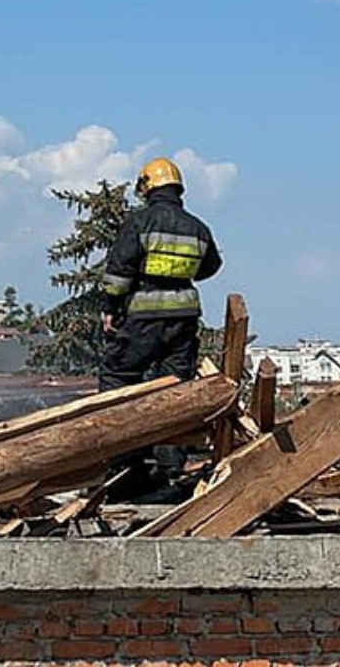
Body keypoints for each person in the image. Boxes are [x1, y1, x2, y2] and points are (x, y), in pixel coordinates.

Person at [97, 156, 223, 492]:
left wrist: (111, 307)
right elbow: (210, 267)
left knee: (120, 380)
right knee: (175, 390)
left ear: (147, 187)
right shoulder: (197, 227)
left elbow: (118, 274)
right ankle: (171, 468)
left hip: (142, 318)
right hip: (182, 321)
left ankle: (125, 466)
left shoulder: (140, 222)